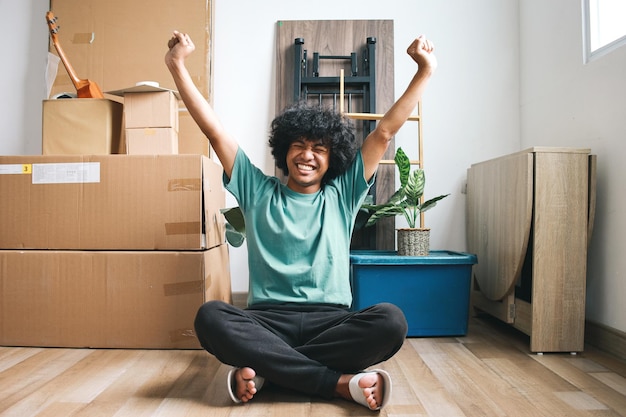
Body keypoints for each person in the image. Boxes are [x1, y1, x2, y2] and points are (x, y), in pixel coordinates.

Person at [165, 30, 437, 411]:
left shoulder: (342, 195)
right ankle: (336, 384)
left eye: (319, 149)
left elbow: (385, 131)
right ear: (284, 151)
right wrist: (177, 66)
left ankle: (268, 370)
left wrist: (425, 71)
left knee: (391, 321)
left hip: (332, 323)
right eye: (299, 145)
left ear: (331, 159)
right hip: (266, 322)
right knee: (210, 316)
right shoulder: (257, 190)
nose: (307, 155)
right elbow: (214, 130)